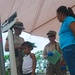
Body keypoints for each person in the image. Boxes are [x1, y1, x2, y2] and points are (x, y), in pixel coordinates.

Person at [56, 6, 75, 75]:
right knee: (72, 69)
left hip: (71, 47)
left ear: (60, 13)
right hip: (66, 49)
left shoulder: (69, 19)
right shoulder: (64, 23)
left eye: (57, 15)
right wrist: (63, 57)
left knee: (73, 70)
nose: (57, 17)